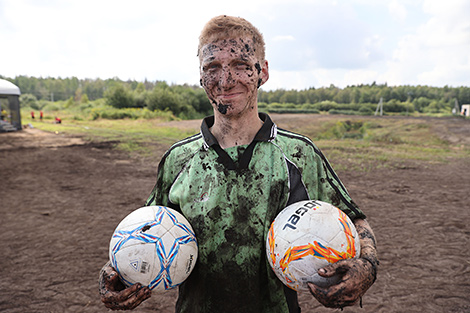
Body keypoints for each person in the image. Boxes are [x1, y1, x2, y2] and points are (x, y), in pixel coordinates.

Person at [99, 15, 378, 312]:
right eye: (212, 68)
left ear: (263, 72)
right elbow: (144, 233)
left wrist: (366, 267)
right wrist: (115, 271)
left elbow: (355, 220)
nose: (225, 80)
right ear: (201, 76)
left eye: (241, 66)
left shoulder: (298, 154)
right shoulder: (178, 160)